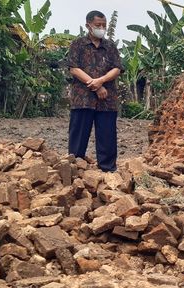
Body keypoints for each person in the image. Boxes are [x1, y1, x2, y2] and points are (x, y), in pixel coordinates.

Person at [67, 10, 123, 172]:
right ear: (88, 25)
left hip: (107, 98)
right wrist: (95, 85)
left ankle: (108, 169)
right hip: (82, 98)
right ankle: (74, 168)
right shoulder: (77, 44)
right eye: (98, 25)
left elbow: (117, 69)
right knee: (78, 134)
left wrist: (101, 81)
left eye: (104, 25)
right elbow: (74, 68)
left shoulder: (110, 46)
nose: (102, 28)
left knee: (107, 135)